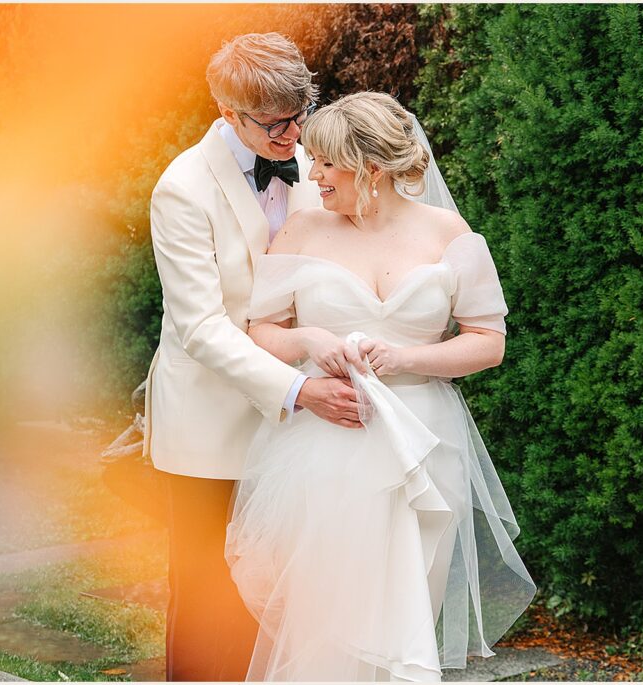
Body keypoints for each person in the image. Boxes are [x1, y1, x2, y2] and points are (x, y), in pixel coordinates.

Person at [225, 92, 537, 681]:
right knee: (327, 618)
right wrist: (311, 342)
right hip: (328, 443)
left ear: (370, 166)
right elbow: (261, 331)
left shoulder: (448, 232)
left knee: (408, 611)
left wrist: (403, 356)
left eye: (325, 163)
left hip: (426, 445)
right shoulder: (302, 228)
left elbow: (488, 342)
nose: (311, 174)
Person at [146, 34, 362, 681]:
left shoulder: (306, 169)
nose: (292, 134)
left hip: (292, 435)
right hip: (207, 429)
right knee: (208, 599)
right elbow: (202, 328)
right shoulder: (181, 189)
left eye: (299, 115)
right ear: (227, 112)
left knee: (281, 596)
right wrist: (298, 390)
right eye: (274, 122)